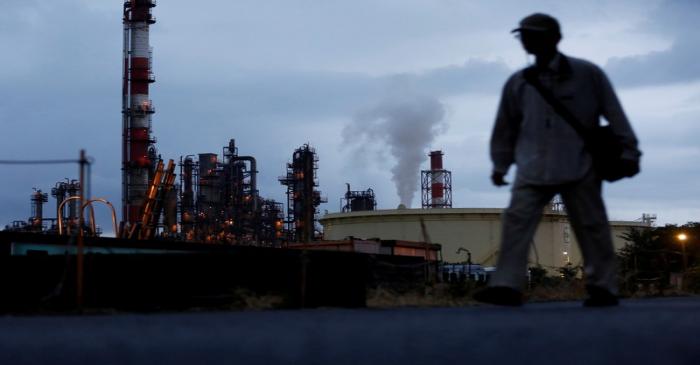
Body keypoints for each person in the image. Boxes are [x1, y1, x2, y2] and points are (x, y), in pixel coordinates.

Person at [473, 13, 641, 307]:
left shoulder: (587, 74)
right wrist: (500, 165)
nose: (526, 40)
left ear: (554, 38)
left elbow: (615, 115)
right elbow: (505, 127)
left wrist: (629, 151)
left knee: (592, 225)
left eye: (533, 34)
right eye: (522, 34)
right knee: (515, 222)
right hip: (532, 167)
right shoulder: (519, 83)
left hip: (581, 164)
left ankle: (603, 287)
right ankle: (506, 286)